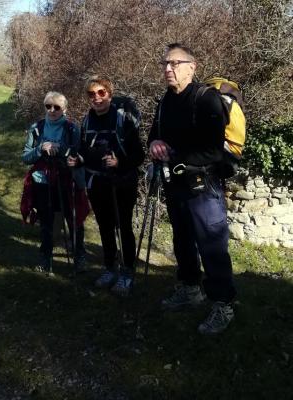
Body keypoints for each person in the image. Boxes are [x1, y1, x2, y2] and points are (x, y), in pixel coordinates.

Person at [148, 43, 236, 334]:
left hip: (203, 186)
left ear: (192, 66)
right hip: (175, 185)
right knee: (182, 240)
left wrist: (177, 158)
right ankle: (190, 289)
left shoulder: (206, 99)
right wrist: (154, 144)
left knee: (212, 245)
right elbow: (153, 134)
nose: (168, 69)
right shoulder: (165, 101)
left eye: (175, 63)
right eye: (165, 63)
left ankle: (223, 305)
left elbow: (213, 151)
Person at [76, 75, 144, 296]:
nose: (96, 98)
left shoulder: (123, 120)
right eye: (91, 94)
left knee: (123, 227)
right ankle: (109, 267)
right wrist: (78, 160)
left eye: (101, 92)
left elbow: (139, 155)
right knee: (104, 226)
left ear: (109, 94)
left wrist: (119, 162)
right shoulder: (87, 122)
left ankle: (127, 272)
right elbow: (85, 152)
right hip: (97, 182)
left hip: (122, 182)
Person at [22, 91, 88, 275]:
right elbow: (25, 157)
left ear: (64, 109)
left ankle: (79, 256)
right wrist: (40, 149)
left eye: (57, 107)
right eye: (48, 106)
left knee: (74, 220)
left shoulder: (72, 129)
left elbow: (79, 155)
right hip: (42, 181)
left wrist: (63, 150)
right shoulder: (36, 128)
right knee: (46, 223)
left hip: (67, 180)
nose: (52, 110)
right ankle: (45, 257)